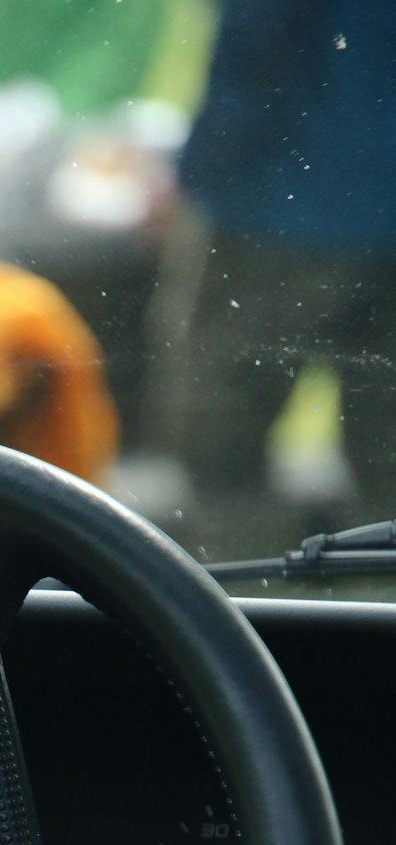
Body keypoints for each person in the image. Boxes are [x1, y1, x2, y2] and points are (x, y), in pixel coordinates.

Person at [149, 0, 396, 544]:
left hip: (281, 202)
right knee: (387, 435)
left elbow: (253, 44)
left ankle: (243, 587)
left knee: (224, 421)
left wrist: (200, 171)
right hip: (371, 196)